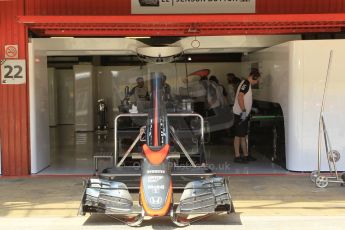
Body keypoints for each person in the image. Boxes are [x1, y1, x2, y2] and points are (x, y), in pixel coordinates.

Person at [232, 68, 261, 163]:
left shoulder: (246, 84)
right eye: (257, 80)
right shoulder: (246, 84)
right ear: (253, 77)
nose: (257, 82)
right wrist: (244, 111)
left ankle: (245, 155)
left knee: (243, 135)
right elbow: (240, 97)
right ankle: (237, 156)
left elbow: (244, 98)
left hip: (243, 113)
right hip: (240, 114)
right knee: (238, 135)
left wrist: (249, 109)